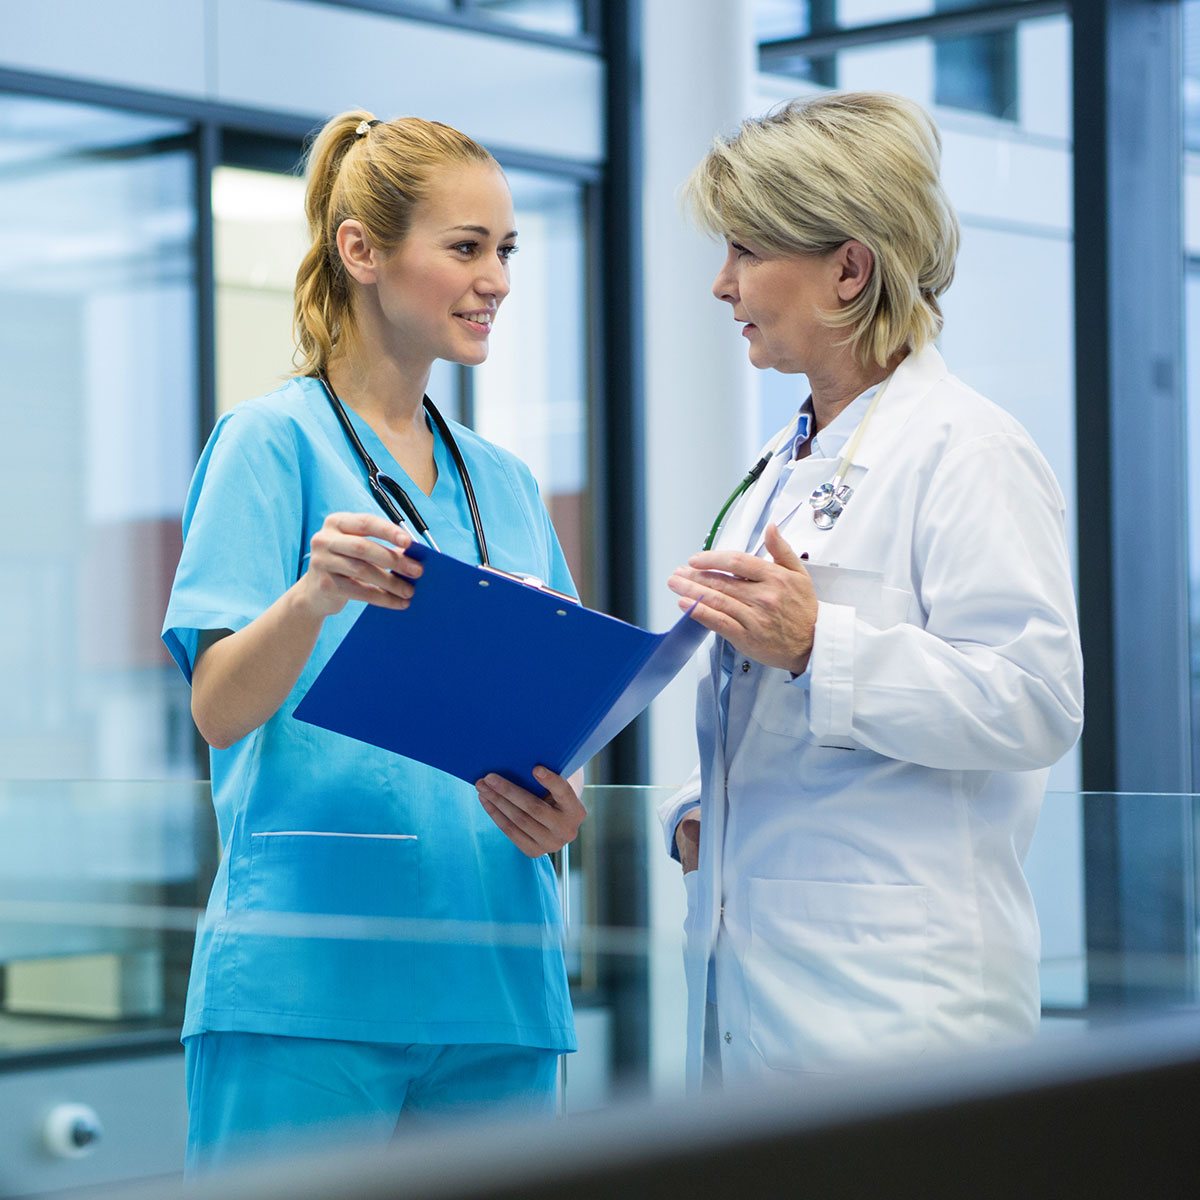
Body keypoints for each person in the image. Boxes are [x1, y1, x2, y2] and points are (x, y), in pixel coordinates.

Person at [162, 110, 586, 1170]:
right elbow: (216, 706)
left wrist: (557, 806)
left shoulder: (508, 483)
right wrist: (311, 596)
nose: (495, 278)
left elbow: (563, 714)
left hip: (499, 983)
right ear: (362, 251)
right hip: (311, 983)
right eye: (465, 248)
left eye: (505, 251)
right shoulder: (269, 443)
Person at [659, 92, 1084, 1090]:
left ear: (848, 269)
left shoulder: (967, 449)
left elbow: (1035, 701)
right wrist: (698, 813)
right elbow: (771, 728)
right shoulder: (779, 465)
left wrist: (820, 647)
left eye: (745, 252)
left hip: (903, 1012)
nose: (722, 287)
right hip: (756, 996)